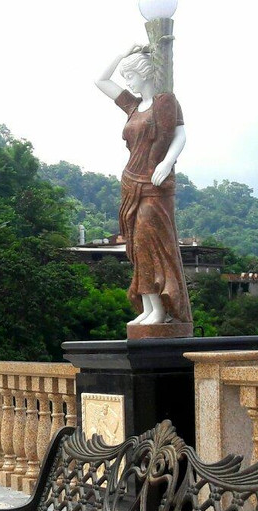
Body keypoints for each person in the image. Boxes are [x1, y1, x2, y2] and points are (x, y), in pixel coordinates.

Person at [95, 45, 193, 332]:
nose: (128, 83)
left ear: (145, 74)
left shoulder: (165, 101)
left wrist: (167, 162)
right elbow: (101, 81)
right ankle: (149, 306)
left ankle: (163, 308)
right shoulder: (132, 106)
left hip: (155, 185)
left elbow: (181, 134)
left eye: (131, 76)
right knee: (137, 247)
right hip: (131, 183)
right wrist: (121, 53)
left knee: (152, 243)